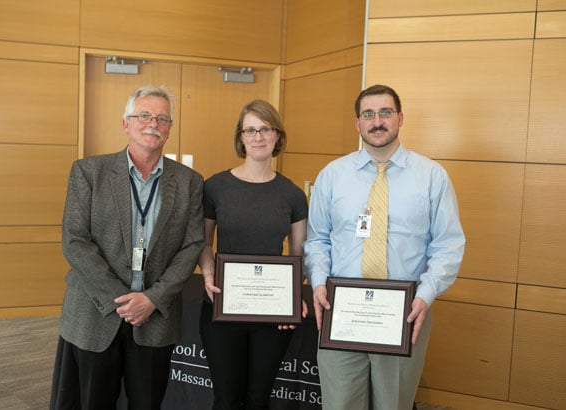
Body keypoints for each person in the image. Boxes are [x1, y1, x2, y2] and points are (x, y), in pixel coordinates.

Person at [303, 84, 465, 410]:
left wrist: (426, 294)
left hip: (403, 312)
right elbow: (318, 238)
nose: (377, 121)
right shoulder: (332, 176)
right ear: (357, 123)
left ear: (400, 118)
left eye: (385, 112)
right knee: (340, 404)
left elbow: (448, 244)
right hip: (342, 310)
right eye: (368, 114)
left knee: (393, 404)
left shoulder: (432, 177)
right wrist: (318, 281)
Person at [50, 85, 205, 409]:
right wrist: (122, 301)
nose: (154, 124)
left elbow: (192, 244)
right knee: (92, 402)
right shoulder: (89, 172)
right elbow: (75, 240)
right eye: (144, 116)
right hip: (95, 312)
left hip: (155, 317)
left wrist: (151, 299)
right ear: (126, 124)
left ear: (170, 129)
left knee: (147, 403)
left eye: (163, 119)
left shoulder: (190, 181)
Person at [198, 99, 308, 409]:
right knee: (227, 398)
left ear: (277, 136)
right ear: (241, 137)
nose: (258, 137)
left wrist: (293, 295)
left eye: (265, 129)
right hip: (222, 305)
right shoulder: (215, 187)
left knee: (258, 399)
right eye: (250, 130)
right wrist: (207, 275)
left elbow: (298, 254)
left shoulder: (293, 195)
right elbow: (203, 243)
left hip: (272, 313)